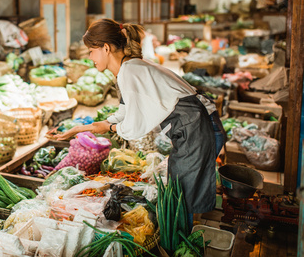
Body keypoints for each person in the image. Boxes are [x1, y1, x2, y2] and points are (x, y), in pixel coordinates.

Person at [53, 19, 224, 219]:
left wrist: (112, 128)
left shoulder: (130, 71)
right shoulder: (129, 68)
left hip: (199, 129)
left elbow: (135, 126)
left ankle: (184, 244)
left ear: (106, 48)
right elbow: (125, 111)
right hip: (198, 127)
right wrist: (84, 128)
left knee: (179, 202)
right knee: (178, 197)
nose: (90, 57)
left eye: (91, 51)